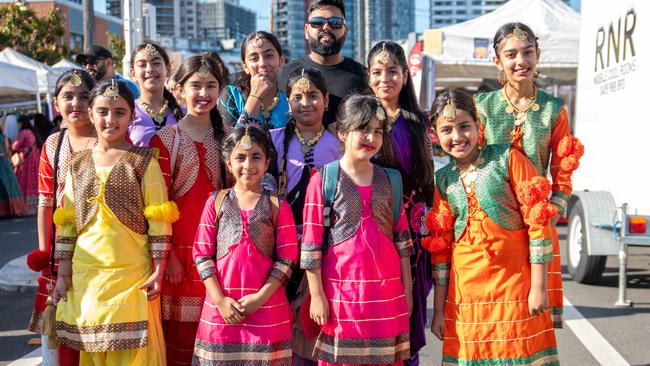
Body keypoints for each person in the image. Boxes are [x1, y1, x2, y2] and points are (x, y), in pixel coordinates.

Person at [426, 89, 559, 365]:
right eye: (447, 130)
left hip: (515, 288)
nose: (457, 137)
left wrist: (539, 287)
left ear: (478, 125)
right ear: (435, 135)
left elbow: (538, 225)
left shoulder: (508, 159)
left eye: (465, 127)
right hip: (466, 297)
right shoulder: (443, 179)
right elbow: (441, 252)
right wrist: (439, 311)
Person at [52, 79, 176, 365]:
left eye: (120, 112)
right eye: (103, 111)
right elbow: (68, 221)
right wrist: (63, 274)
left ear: (132, 116)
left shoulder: (144, 161)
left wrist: (159, 268)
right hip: (88, 276)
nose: (111, 119)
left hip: (133, 276)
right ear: (91, 114)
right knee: (94, 353)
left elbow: (158, 217)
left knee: (134, 355)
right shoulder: (77, 163)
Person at [475, 22, 581, 328]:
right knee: (494, 311)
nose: (520, 61)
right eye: (511, 54)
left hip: (537, 221)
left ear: (538, 55)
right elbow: (471, 163)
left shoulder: (553, 109)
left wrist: (550, 214)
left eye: (528, 52)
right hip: (492, 221)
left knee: (531, 313)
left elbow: (563, 171)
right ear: (497, 60)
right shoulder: (482, 106)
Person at [301, 94, 413, 365]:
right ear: (341, 132)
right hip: (342, 300)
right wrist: (316, 296)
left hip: (387, 298)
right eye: (363, 128)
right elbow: (311, 246)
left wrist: (407, 293)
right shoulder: (324, 180)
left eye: (377, 131)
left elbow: (403, 244)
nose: (371, 138)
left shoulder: (392, 180)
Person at [191, 126, 297, 365]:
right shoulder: (215, 201)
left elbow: (288, 258)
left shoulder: (277, 205)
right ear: (228, 164)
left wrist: (260, 298)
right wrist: (220, 300)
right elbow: (201, 255)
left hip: (267, 309)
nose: (248, 164)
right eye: (240, 157)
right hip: (221, 311)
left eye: (256, 157)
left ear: (268, 161)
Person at [149, 55, 229, 366]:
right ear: (179, 90)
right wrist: (165, 256)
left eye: (211, 86)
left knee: (217, 334)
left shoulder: (229, 138)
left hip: (220, 251)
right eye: (195, 85)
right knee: (180, 339)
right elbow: (157, 204)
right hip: (178, 255)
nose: (203, 93)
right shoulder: (166, 139)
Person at [367, 41, 436, 366]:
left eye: (392, 71)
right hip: (371, 227)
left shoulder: (419, 123)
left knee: (408, 312)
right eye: (378, 72)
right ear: (368, 78)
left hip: (414, 232)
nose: (385, 78)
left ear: (405, 76)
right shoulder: (360, 121)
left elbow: (428, 178)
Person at [269, 67, 342, 365]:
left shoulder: (340, 144)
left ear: (326, 99)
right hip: (279, 248)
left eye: (313, 95)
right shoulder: (272, 140)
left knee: (314, 326)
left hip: (325, 248)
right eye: (297, 96)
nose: (306, 102)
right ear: (287, 102)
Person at [27, 69, 96, 366]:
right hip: (60, 251)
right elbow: (45, 201)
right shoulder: (54, 144)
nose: (76, 103)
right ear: (56, 104)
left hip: (101, 248)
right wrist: (45, 252)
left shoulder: (110, 138)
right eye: (68, 96)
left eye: (84, 96)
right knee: (61, 333)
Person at [278, 0, 369, 128]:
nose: (326, 28)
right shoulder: (285, 74)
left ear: (346, 31)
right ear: (306, 30)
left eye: (335, 23)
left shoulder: (364, 77)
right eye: (317, 22)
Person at [218, 32, 289, 131]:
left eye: (269, 56)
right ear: (245, 66)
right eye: (254, 58)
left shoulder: (291, 98)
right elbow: (231, 143)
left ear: (281, 60)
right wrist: (255, 97)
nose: (262, 63)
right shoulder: (232, 95)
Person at [129, 42, 184, 146]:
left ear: (168, 70)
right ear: (133, 74)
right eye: (142, 65)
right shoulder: (127, 112)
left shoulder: (184, 112)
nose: (149, 69)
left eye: (156, 63)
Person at [75, 45, 140, 98]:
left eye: (92, 62)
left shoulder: (127, 87)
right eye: (85, 63)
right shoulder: (86, 87)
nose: (88, 67)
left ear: (109, 62)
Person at [12, 115, 41, 215]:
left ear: (22, 123)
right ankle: (36, 207)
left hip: (25, 161)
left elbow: (15, 146)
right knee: (33, 183)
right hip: (34, 160)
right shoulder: (32, 131)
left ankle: (25, 207)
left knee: (23, 182)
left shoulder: (23, 132)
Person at [0, 126, 26, 217]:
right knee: (10, 186)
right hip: (4, 162)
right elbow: (7, 152)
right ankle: (13, 209)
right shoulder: (4, 137)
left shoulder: (4, 137)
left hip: (3, 162)